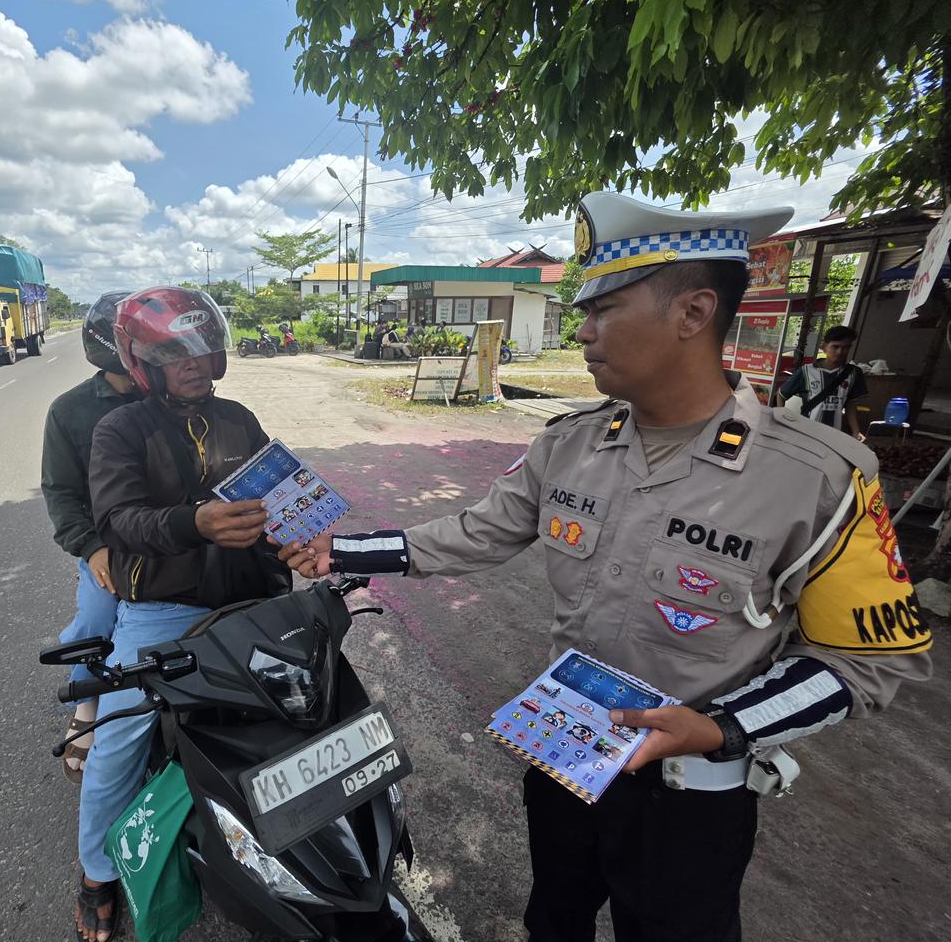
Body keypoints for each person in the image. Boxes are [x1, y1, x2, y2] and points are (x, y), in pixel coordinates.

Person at [275, 191, 932, 942]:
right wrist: (341, 552)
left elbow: (870, 662)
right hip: (566, 749)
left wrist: (720, 727)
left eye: (603, 309)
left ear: (692, 314)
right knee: (554, 919)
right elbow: (479, 532)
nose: (580, 332)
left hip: (691, 793)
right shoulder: (571, 442)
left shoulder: (820, 476)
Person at [72, 285, 291, 942]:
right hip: (164, 605)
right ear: (143, 359)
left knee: (313, 700)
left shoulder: (240, 419)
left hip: (252, 593)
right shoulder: (120, 429)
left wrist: (301, 538)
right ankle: (96, 873)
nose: (194, 361)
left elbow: (275, 499)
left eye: (202, 347)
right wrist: (193, 523)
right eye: (174, 351)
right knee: (118, 736)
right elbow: (119, 520)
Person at [41, 290, 138, 781]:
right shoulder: (70, 411)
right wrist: (92, 548)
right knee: (98, 622)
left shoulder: (170, 398)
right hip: (107, 547)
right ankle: (87, 706)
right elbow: (60, 493)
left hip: (173, 540)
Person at [777, 324, 869, 439]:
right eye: (835, 347)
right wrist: (782, 420)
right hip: (806, 433)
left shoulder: (854, 373)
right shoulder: (806, 371)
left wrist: (856, 431)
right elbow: (781, 394)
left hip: (835, 435)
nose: (840, 352)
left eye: (846, 347)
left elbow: (850, 404)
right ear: (824, 347)